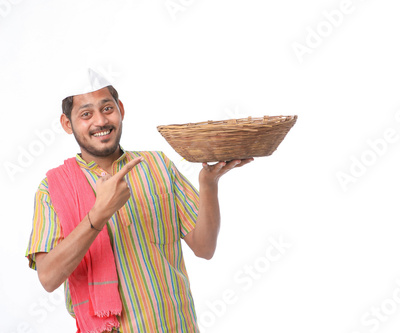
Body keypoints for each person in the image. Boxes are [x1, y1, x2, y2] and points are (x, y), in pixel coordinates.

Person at [25, 69, 252, 333]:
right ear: (67, 124)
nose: (100, 121)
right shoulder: (51, 189)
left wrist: (209, 184)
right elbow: (49, 277)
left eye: (107, 108)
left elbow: (204, 248)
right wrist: (98, 214)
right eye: (86, 114)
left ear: (120, 109)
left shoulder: (157, 165)